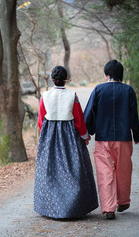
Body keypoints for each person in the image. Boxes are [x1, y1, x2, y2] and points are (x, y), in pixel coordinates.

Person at [34, 66, 99, 219]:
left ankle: (50, 207)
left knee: (50, 170)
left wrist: (46, 136)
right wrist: (84, 136)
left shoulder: (45, 95)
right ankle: (73, 207)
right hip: (69, 135)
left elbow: (41, 120)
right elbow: (78, 118)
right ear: (66, 79)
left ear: (52, 79)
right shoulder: (72, 95)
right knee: (73, 169)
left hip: (50, 134)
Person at [84, 59, 139, 220]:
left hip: (103, 139)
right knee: (124, 170)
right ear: (121, 75)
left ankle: (109, 208)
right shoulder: (129, 90)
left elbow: (89, 114)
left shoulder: (98, 90)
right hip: (124, 138)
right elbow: (133, 116)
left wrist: (88, 133)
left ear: (106, 74)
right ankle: (123, 201)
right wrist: (136, 135)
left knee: (105, 172)